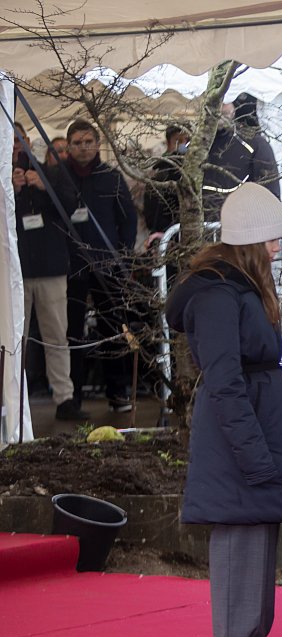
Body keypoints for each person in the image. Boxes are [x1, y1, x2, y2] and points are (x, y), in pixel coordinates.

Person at [165, 182, 282, 637]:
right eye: (273, 240)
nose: (279, 249)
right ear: (252, 241)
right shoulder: (216, 293)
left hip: (256, 424)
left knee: (259, 538)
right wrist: (255, 452)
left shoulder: (235, 286)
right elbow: (225, 380)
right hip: (240, 430)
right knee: (238, 541)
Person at [13, 122, 88, 421]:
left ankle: (64, 398)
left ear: (29, 141)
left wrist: (45, 186)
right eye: (10, 142)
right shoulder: (6, 178)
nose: (16, 147)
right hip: (14, 273)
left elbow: (73, 207)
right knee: (14, 339)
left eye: (19, 141)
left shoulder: (54, 173)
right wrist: (11, 190)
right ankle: (14, 399)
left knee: (57, 335)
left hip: (51, 268)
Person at [64, 119, 137, 413]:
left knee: (112, 329)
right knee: (73, 332)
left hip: (108, 266)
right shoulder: (58, 176)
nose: (83, 147)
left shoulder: (112, 177)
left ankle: (117, 393)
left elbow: (128, 219)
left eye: (88, 142)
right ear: (69, 146)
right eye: (77, 143)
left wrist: (122, 256)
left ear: (97, 144)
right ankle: (74, 396)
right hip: (71, 268)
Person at [202, 96, 280, 219]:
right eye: (217, 101)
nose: (220, 107)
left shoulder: (256, 145)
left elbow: (270, 196)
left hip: (243, 231)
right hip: (199, 231)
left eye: (226, 101)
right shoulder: (196, 147)